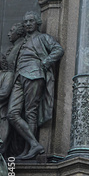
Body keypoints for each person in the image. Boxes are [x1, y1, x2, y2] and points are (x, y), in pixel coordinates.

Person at [7, 11, 64, 160]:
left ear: (37, 23)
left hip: (34, 74)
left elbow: (58, 49)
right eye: (25, 22)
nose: (27, 24)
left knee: (30, 113)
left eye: (30, 21)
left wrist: (45, 63)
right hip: (18, 77)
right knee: (12, 113)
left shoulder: (43, 38)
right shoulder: (21, 42)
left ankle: (29, 151)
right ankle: (33, 144)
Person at [0, 22, 24, 155]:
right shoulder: (13, 47)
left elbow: (4, 93)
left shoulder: (7, 74)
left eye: (12, 30)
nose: (8, 34)